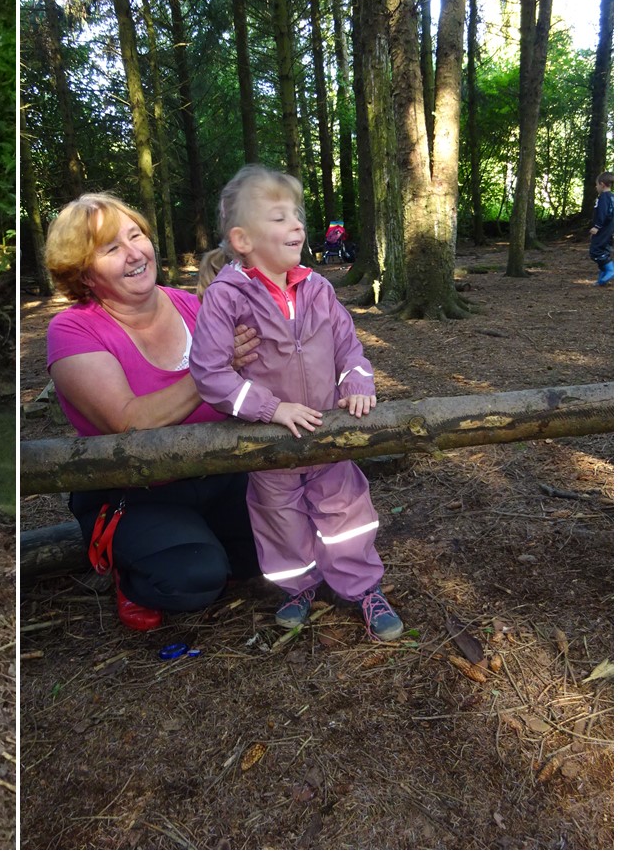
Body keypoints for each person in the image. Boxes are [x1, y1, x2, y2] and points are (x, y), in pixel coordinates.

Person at [190, 164, 403, 642]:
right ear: (243, 239)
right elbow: (209, 372)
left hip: (328, 433)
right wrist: (271, 409)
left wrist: (358, 384)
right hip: (270, 442)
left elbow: (350, 347)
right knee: (278, 518)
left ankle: (363, 588)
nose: (297, 227)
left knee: (345, 511)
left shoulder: (318, 288)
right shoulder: (226, 298)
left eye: (297, 216)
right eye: (280, 217)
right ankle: (299, 586)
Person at [43, 192, 262, 631]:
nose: (133, 254)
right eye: (111, 249)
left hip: (222, 472)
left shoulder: (191, 304)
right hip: (138, 494)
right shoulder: (72, 330)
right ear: (84, 273)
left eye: (135, 236)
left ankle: (214, 542)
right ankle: (130, 572)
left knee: (286, 548)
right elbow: (129, 422)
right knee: (192, 580)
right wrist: (211, 369)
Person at [589, 171, 613, 287]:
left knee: (595, 251)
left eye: (597, 184)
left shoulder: (603, 197)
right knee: (604, 251)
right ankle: (601, 279)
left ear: (602, 184)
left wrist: (597, 227)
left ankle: (610, 270)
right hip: (609, 230)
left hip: (602, 229)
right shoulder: (612, 197)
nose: (596, 187)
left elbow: (602, 213)